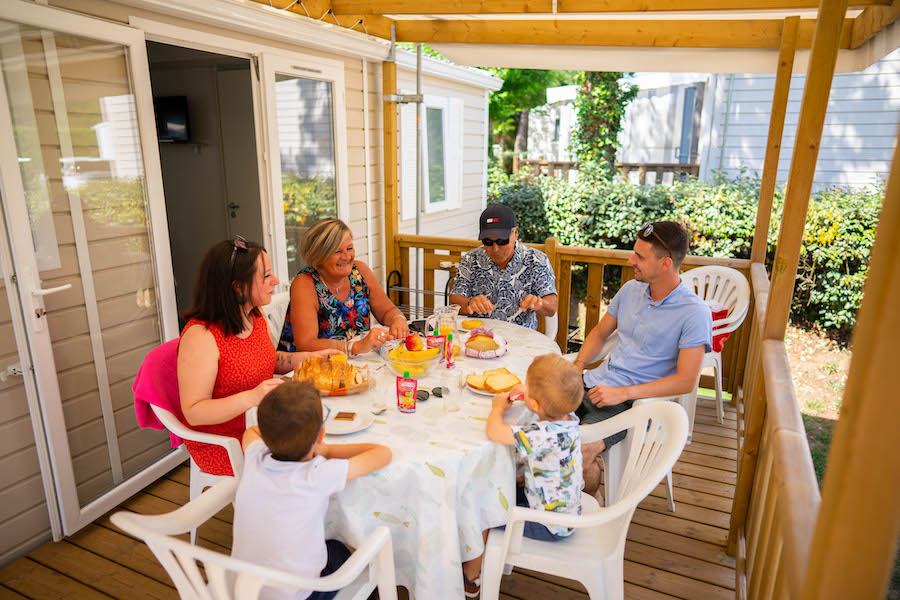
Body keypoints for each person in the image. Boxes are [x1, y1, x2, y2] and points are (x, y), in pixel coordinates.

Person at [177, 237, 340, 476]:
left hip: (266, 422)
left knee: (331, 433)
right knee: (318, 457)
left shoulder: (254, 314)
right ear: (237, 286)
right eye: (266, 276)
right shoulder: (200, 336)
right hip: (227, 442)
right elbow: (194, 411)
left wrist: (310, 358)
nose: (274, 281)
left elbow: (266, 360)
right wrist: (253, 397)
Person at [571, 221, 712, 495]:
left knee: (576, 451)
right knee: (531, 422)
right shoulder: (630, 290)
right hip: (593, 383)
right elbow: (600, 333)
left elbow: (686, 381)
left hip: (632, 404)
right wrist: (577, 367)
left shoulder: (694, 313)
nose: (630, 260)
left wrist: (623, 393)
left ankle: (585, 509)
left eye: (640, 256)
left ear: (665, 264)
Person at [232, 381, 391, 600]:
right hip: (301, 595)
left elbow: (250, 432)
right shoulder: (316, 475)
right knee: (352, 549)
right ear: (322, 433)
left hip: (243, 591)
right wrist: (325, 450)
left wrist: (298, 439)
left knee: (329, 546)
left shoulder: (255, 457)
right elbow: (382, 453)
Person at [461, 354, 584, 597]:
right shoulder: (567, 419)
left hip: (547, 524)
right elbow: (542, 409)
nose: (524, 390)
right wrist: (526, 394)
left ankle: (471, 577)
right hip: (560, 510)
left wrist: (497, 408)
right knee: (496, 489)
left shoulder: (541, 436)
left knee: (484, 505)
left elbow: (495, 432)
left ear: (536, 405)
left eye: (528, 391)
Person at [278, 218, 408, 356]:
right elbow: (306, 344)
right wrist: (354, 346)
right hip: (307, 367)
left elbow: (387, 311)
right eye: (337, 251)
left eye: (349, 248)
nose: (346, 257)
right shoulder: (305, 283)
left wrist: (398, 319)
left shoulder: (359, 271)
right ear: (319, 256)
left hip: (354, 362)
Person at [449, 205, 558, 330]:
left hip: (521, 339)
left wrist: (539, 304)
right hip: (478, 336)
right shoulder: (471, 259)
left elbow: (552, 307)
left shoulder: (536, 260)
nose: (495, 249)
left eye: (502, 241)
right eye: (488, 242)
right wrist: (470, 302)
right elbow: (455, 299)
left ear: (515, 233)